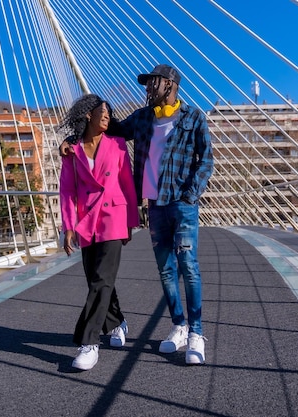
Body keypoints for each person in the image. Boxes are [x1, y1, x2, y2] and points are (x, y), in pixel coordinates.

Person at [60, 64, 213, 365]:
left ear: (169, 84)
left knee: (189, 266)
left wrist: (190, 194)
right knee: (167, 271)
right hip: (155, 205)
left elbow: (205, 160)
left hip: (182, 204)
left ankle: (196, 332)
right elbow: (108, 128)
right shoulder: (143, 118)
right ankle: (178, 326)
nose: (146, 89)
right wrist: (71, 138)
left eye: (151, 84)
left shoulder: (194, 117)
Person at [59, 94, 139, 371]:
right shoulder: (72, 150)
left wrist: (131, 221)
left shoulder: (117, 145)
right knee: (97, 279)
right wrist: (68, 227)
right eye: (102, 112)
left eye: (109, 112)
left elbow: (127, 184)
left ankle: (89, 342)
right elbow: (67, 191)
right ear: (87, 116)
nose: (107, 116)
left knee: (101, 280)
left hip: (114, 217)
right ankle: (116, 321)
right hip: (86, 221)